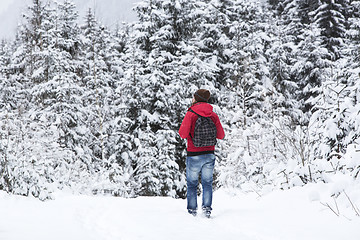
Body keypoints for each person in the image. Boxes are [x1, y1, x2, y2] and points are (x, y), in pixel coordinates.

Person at [178, 89, 225, 218]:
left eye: (193, 97)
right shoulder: (213, 115)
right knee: (207, 183)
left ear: (197, 98)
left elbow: (182, 134)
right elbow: (221, 135)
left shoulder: (191, 114)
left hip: (193, 154)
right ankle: (207, 210)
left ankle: (192, 212)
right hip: (209, 154)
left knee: (192, 184)